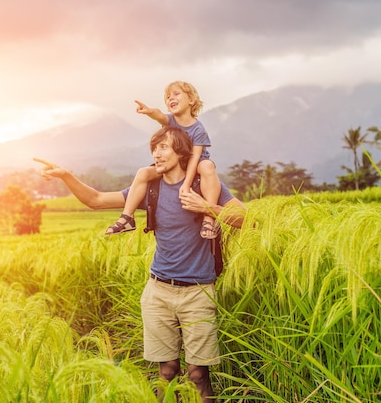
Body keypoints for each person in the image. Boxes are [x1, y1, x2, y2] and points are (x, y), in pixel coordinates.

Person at [34, 126, 245, 403]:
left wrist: (206, 207)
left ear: (181, 151)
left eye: (164, 147)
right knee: (166, 372)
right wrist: (66, 175)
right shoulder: (150, 189)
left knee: (198, 375)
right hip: (158, 292)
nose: (156, 154)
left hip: (198, 293)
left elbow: (246, 220)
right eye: (154, 148)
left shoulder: (203, 186)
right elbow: (95, 200)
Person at [105, 81, 222, 239]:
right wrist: (149, 111)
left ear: (191, 100)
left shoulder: (198, 129)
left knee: (207, 166)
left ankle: (209, 219)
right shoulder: (170, 121)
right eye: (168, 96)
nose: (171, 98)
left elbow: (194, 157)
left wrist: (186, 184)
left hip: (195, 164)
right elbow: (159, 115)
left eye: (176, 94)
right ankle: (127, 217)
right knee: (143, 172)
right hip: (173, 165)